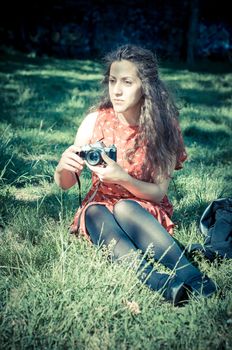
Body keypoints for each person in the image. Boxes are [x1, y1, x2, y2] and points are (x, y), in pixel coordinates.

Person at [54, 45, 217, 306]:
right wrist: (63, 168)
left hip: (142, 208)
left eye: (127, 82)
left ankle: (192, 275)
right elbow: (66, 184)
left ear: (145, 86)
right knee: (93, 211)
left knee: (126, 207)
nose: (116, 90)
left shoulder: (163, 127)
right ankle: (157, 281)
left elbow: (158, 192)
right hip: (101, 211)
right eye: (112, 81)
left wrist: (122, 178)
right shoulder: (94, 121)